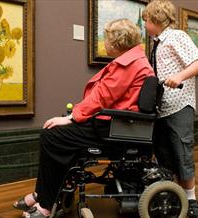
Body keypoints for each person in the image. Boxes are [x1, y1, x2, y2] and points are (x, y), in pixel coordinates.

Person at [13, 19, 155, 218]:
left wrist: (72, 118)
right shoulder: (134, 60)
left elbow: (102, 96)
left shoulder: (130, 64)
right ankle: (43, 192)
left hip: (112, 128)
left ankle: (45, 205)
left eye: (106, 39)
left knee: (52, 135)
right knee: (55, 132)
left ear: (117, 43)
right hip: (112, 124)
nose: (104, 43)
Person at [142, 1, 198, 218]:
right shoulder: (157, 43)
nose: (145, 25)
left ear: (157, 20)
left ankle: (191, 200)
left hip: (179, 105)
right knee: (164, 154)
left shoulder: (176, 36)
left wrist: (179, 76)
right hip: (162, 108)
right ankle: (173, 194)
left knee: (182, 153)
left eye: (147, 20)